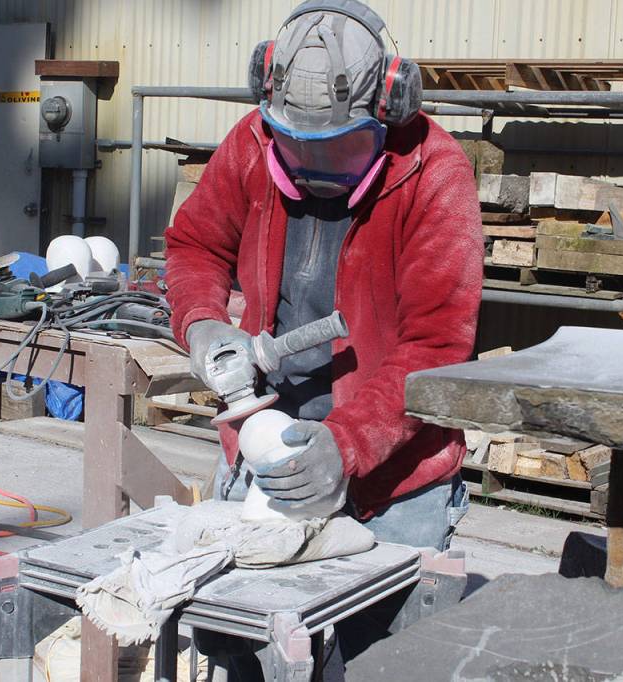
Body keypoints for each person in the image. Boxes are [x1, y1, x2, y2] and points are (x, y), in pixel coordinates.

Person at [164, 0, 483, 674]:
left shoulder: (436, 173)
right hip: (265, 454)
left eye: (341, 145)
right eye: (295, 142)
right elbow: (194, 244)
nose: (313, 165)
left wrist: (347, 443)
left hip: (395, 481)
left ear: (390, 108)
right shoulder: (252, 143)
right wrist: (202, 323)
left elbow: (437, 347)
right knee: (240, 644)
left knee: (377, 660)